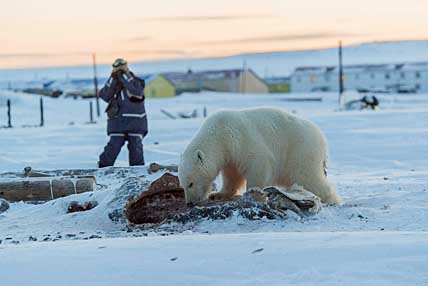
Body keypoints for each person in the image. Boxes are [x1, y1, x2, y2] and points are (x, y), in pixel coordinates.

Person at [98, 59, 147, 167]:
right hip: (117, 122)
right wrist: (114, 77)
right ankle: (103, 168)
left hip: (135, 122)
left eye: (122, 66)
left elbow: (137, 91)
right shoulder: (113, 83)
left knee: (136, 149)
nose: (119, 69)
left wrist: (124, 76)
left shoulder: (137, 82)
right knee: (113, 147)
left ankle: (137, 172)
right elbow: (105, 95)